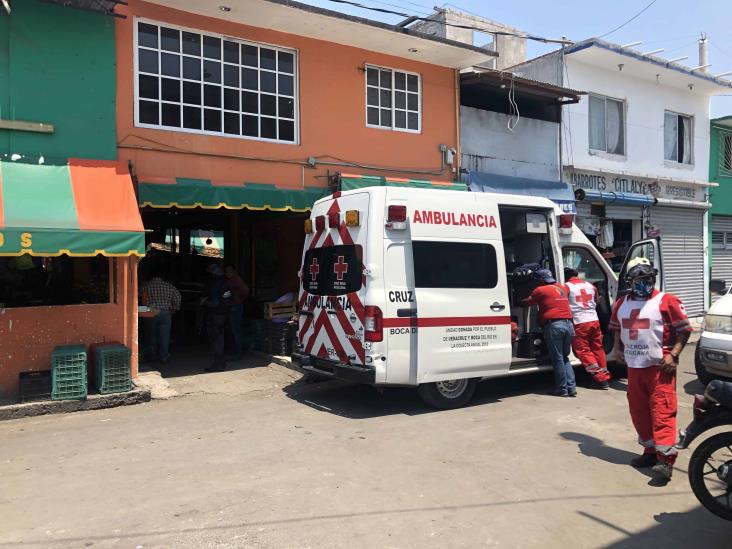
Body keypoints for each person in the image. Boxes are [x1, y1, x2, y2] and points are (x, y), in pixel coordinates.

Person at [609, 261, 692, 481]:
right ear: (630, 282)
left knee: (662, 412)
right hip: (634, 366)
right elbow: (617, 327)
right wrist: (617, 348)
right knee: (639, 412)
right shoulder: (621, 303)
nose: (642, 285)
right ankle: (650, 452)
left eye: (646, 280)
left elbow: (684, 330)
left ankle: (665, 461)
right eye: (638, 281)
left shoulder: (667, 301)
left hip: (660, 367)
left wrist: (673, 354)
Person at [524, 268, 577, 397]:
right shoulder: (562, 288)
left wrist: (518, 299)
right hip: (569, 324)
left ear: (541, 280)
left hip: (554, 326)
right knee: (565, 358)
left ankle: (562, 389)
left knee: (557, 358)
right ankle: (572, 388)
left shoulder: (540, 289)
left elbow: (528, 302)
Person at [564, 267, 611, 390]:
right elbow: (596, 301)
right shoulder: (590, 285)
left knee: (583, 350)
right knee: (597, 348)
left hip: (579, 322)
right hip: (594, 320)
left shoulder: (566, 287)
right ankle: (604, 374)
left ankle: (600, 379)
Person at [140, 270, 181, 363]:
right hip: (165, 313)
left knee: (150, 335)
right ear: (162, 277)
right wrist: (174, 308)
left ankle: (152, 356)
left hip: (149, 311)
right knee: (164, 336)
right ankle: (163, 356)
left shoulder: (146, 286)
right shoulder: (169, 286)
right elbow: (178, 297)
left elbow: (139, 297)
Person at [203, 264, 231, 372]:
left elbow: (215, 302)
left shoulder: (213, 284)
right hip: (223, 314)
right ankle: (221, 363)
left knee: (216, 340)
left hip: (215, 314)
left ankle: (217, 364)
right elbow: (227, 298)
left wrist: (205, 302)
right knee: (220, 339)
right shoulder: (225, 283)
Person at [224, 263, 250, 359]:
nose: (227, 273)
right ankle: (235, 350)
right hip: (232, 306)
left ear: (233, 271)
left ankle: (238, 352)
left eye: (229, 271)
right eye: (226, 271)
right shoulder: (228, 280)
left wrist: (239, 300)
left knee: (236, 330)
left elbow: (246, 290)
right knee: (232, 329)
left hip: (236, 307)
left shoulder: (236, 279)